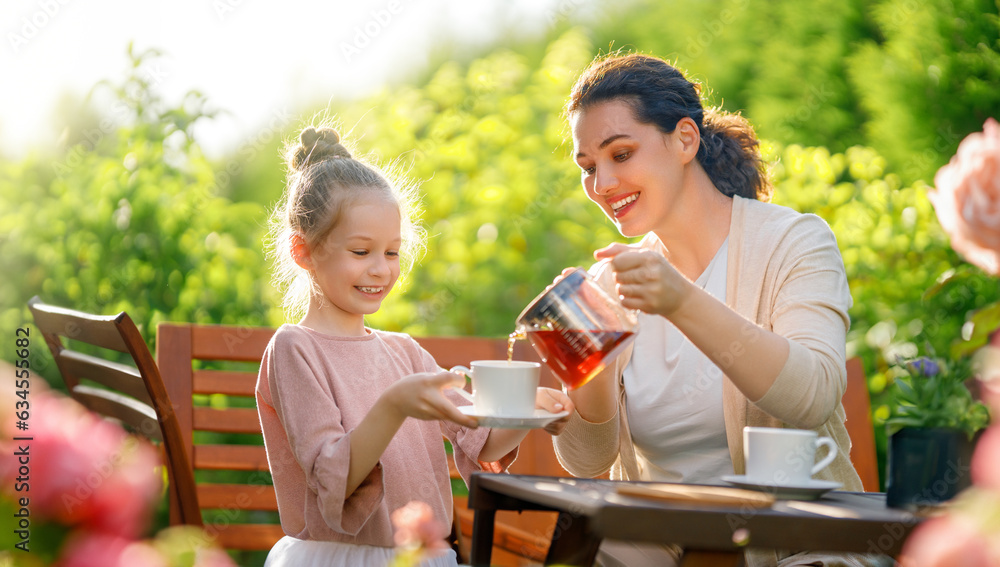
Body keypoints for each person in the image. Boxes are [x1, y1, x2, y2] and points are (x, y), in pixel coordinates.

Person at [551, 52, 889, 567]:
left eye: (620, 154)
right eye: (588, 167)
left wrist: (682, 301)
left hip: (792, 539)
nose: (602, 184)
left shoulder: (792, 242)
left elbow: (815, 394)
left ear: (685, 139)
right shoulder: (609, 281)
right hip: (661, 535)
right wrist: (588, 354)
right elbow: (587, 459)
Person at [256, 124, 573, 567]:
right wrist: (395, 406)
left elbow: (480, 440)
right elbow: (334, 479)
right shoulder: (294, 349)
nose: (381, 270)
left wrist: (527, 410)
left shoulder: (405, 353)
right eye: (361, 251)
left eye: (391, 253)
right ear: (303, 250)